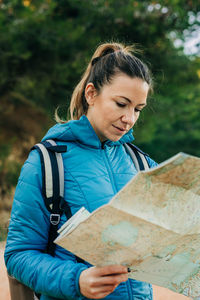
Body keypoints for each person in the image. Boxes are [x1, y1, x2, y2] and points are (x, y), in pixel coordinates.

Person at [5, 42, 157, 300]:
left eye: (137, 109)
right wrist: (76, 280)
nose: (129, 118)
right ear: (91, 94)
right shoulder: (48, 161)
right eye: (121, 104)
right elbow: (18, 255)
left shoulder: (142, 164)